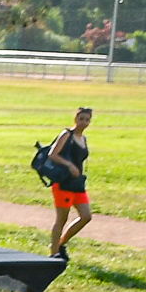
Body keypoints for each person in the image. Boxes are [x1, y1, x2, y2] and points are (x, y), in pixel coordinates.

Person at [47, 105, 95, 260]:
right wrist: (69, 165)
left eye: (87, 120)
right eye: (81, 119)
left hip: (77, 184)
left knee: (86, 216)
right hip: (63, 183)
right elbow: (52, 154)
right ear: (76, 118)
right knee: (61, 219)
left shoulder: (84, 139)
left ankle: (60, 243)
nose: (84, 122)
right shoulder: (67, 134)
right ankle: (54, 253)